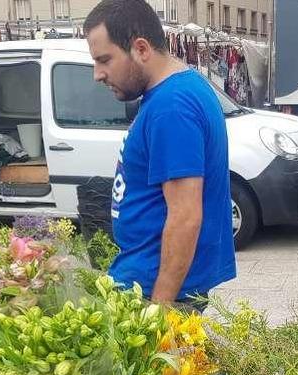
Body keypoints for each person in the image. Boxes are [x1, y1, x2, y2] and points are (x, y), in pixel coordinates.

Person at [83, 0, 236, 308]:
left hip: (157, 293)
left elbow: (185, 217)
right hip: (147, 279)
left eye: (104, 60)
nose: (97, 74)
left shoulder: (172, 106)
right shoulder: (175, 90)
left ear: (141, 49)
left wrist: (159, 310)